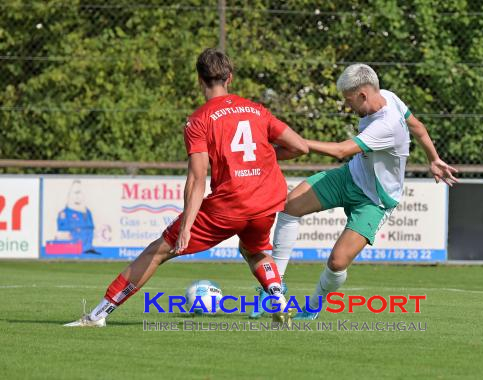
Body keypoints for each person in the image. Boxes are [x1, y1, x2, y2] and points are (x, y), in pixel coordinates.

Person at [65, 48, 308, 327]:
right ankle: (277, 297)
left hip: (231, 204)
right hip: (266, 201)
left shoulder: (199, 120)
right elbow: (300, 146)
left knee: (157, 251)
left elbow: (196, 179)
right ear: (229, 77)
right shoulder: (257, 110)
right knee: (255, 251)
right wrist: (263, 158)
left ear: (199, 79)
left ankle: (98, 315)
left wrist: (186, 227)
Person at [250, 63, 458, 320]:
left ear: (363, 95)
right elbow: (418, 127)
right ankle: (274, 286)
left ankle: (313, 307)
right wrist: (434, 158)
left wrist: (298, 143)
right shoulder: (390, 97)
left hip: (375, 200)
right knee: (290, 205)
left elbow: (340, 150)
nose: (348, 106)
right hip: (351, 176)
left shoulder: (387, 124)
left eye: (349, 101)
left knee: (337, 262)